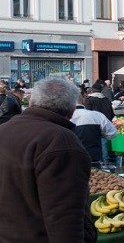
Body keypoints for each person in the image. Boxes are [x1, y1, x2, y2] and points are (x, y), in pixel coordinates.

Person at [0, 77, 96, 242]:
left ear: (30, 102)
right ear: (72, 111)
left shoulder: (4, 129)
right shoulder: (60, 141)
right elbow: (65, 218)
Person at [71, 94, 117, 169]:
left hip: (71, 160)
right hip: (93, 159)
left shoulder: (63, 117)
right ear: (83, 101)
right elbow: (112, 133)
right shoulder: (97, 116)